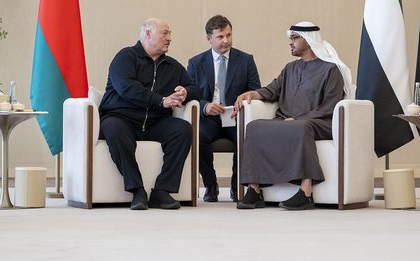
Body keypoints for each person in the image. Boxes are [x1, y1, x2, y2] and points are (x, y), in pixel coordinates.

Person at [233, 21, 354, 211]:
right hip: (287, 121)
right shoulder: (290, 68)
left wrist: (299, 119)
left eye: (295, 38)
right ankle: (254, 190)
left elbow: (330, 106)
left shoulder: (331, 70)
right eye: (290, 38)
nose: (290, 42)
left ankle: (306, 193)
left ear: (308, 40)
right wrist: (251, 94)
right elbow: (271, 90)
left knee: (300, 127)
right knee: (254, 127)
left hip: (319, 122)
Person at [99, 18, 200, 210]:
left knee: (183, 130)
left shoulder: (172, 66)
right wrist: (161, 101)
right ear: (147, 34)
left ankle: (162, 191)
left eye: (170, 34)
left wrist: (186, 93)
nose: (169, 38)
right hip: (121, 117)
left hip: (155, 122)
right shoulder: (125, 57)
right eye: (164, 33)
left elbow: (196, 88)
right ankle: (137, 190)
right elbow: (126, 88)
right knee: (113, 128)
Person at [188, 15, 261, 202]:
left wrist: (244, 104)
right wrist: (205, 106)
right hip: (209, 117)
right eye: (220, 37)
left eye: (228, 35)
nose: (226, 40)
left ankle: (237, 186)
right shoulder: (196, 63)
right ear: (209, 39)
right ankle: (211, 185)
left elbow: (256, 91)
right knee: (196, 136)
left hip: (235, 116)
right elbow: (190, 94)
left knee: (245, 137)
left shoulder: (246, 60)